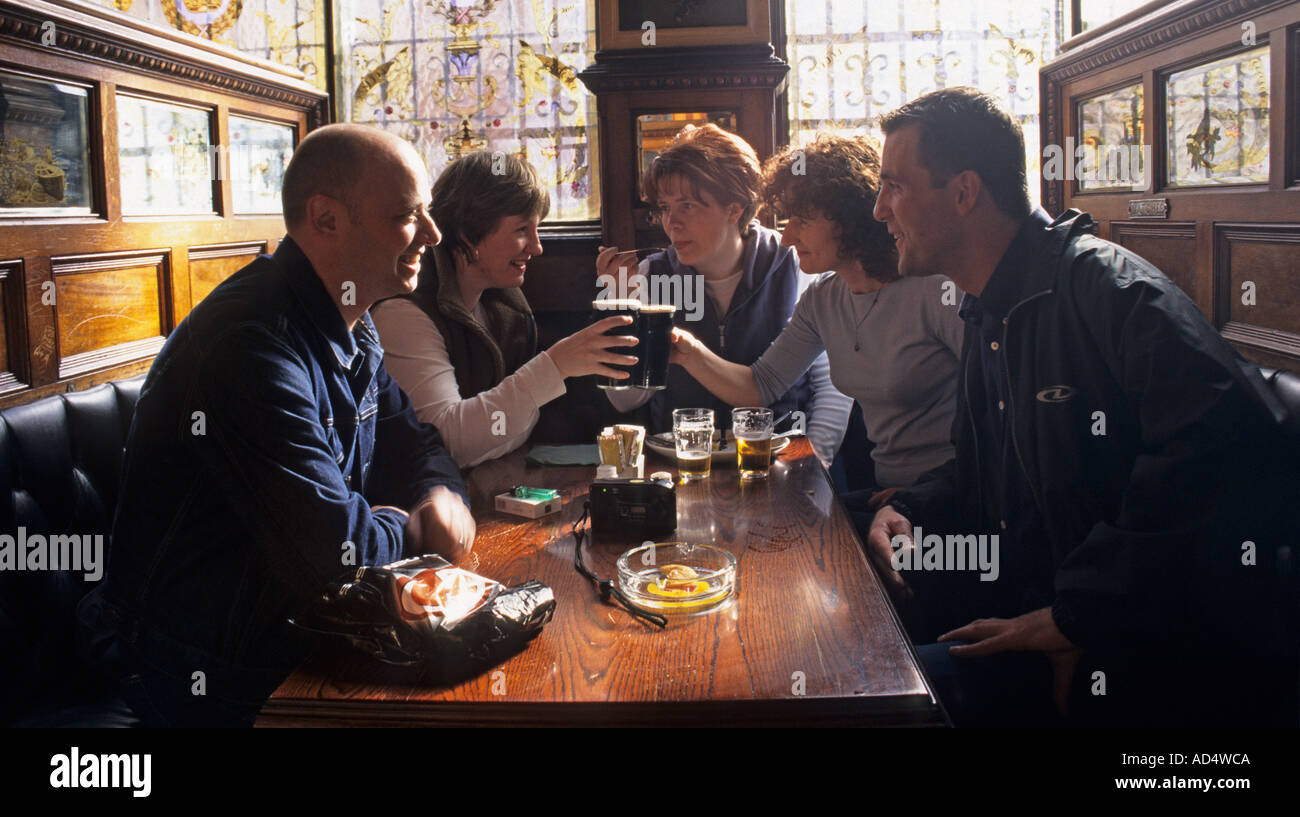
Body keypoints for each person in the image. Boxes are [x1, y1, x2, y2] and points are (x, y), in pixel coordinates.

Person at [866, 86, 1299, 726]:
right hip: (1031, 604)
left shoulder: (1110, 290)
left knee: (862, 702)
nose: (878, 210)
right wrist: (909, 507)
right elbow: (992, 464)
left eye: (893, 186)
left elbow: (1230, 456)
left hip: (1142, 647)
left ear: (963, 193)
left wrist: (1080, 617)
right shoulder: (987, 308)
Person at [79, 124, 476, 727]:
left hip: (290, 630)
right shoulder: (251, 346)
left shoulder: (351, 319)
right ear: (325, 219)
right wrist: (418, 524)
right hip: (198, 664)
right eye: (407, 214)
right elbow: (336, 553)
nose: (432, 233)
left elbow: (416, 440)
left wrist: (436, 492)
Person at [669, 134, 965, 494]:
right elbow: (760, 386)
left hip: (953, 495)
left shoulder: (936, 290)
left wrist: (927, 496)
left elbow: (1001, 409)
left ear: (850, 218)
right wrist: (686, 350)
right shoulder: (823, 299)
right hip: (886, 493)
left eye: (801, 220)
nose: (786, 237)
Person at [596, 123, 852, 463]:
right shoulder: (648, 276)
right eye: (664, 207)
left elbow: (832, 386)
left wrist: (813, 463)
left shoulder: (795, 266)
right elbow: (625, 401)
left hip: (780, 462)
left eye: (687, 206)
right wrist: (622, 314)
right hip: (684, 462)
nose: (671, 223)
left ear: (734, 209)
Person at [372, 151, 638, 468]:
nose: (537, 247)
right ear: (470, 230)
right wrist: (553, 366)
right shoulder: (405, 312)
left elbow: (507, 430)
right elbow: (444, 441)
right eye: (521, 230)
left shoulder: (505, 304)